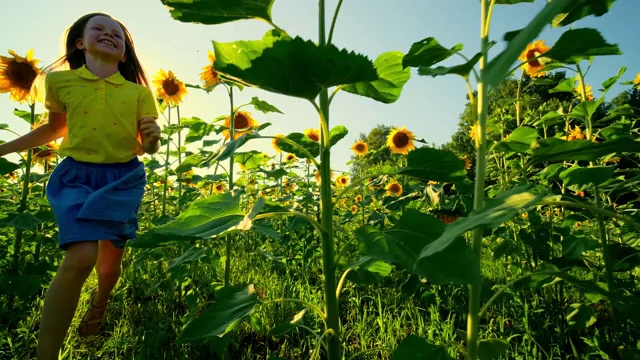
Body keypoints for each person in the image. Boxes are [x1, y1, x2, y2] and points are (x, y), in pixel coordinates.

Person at [0, 13, 161, 359]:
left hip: (122, 178)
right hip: (76, 176)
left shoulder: (139, 94)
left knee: (109, 263)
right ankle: (47, 354)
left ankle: (100, 302)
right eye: (99, 29)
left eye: (117, 34)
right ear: (79, 43)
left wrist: (152, 142)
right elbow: (54, 129)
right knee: (82, 255)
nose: (109, 34)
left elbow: (145, 144)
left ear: (123, 54)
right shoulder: (61, 83)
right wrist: (4, 148)